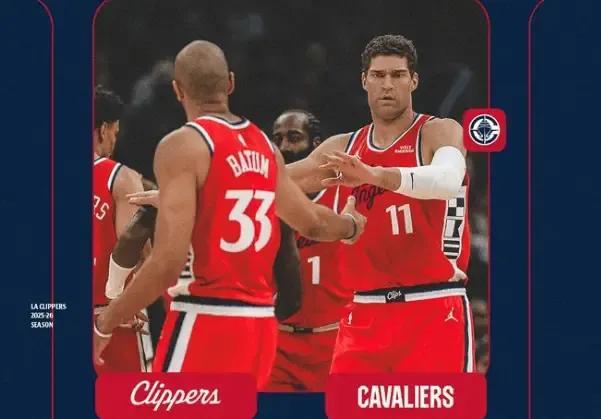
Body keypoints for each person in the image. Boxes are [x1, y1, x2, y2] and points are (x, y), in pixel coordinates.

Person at [93, 40, 366, 388]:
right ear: (231, 83)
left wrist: (105, 322)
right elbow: (312, 221)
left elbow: (166, 263)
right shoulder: (265, 147)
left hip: (206, 320)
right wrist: (351, 225)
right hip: (260, 328)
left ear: (178, 90)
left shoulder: (182, 145)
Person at [287, 34, 474, 373]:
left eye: (398, 75)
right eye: (378, 75)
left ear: (413, 81)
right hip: (364, 314)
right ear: (364, 81)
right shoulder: (345, 148)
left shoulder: (439, 132)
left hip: (433, 309)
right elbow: (275, 181)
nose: (387, 84)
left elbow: (447, 180)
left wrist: (375, 175)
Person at [266, 109, 353, 392]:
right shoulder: (263, 200)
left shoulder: (347, 194)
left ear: (316, 145)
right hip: (279, 344)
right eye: (277, 139)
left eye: (293, 138)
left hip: (335, 341)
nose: (284, 147)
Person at [92, 85, 148, 372]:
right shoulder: (120, 177)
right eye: (114, 133)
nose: (113, 141)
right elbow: (138, 252)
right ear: (103, 130)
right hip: (112, 320)